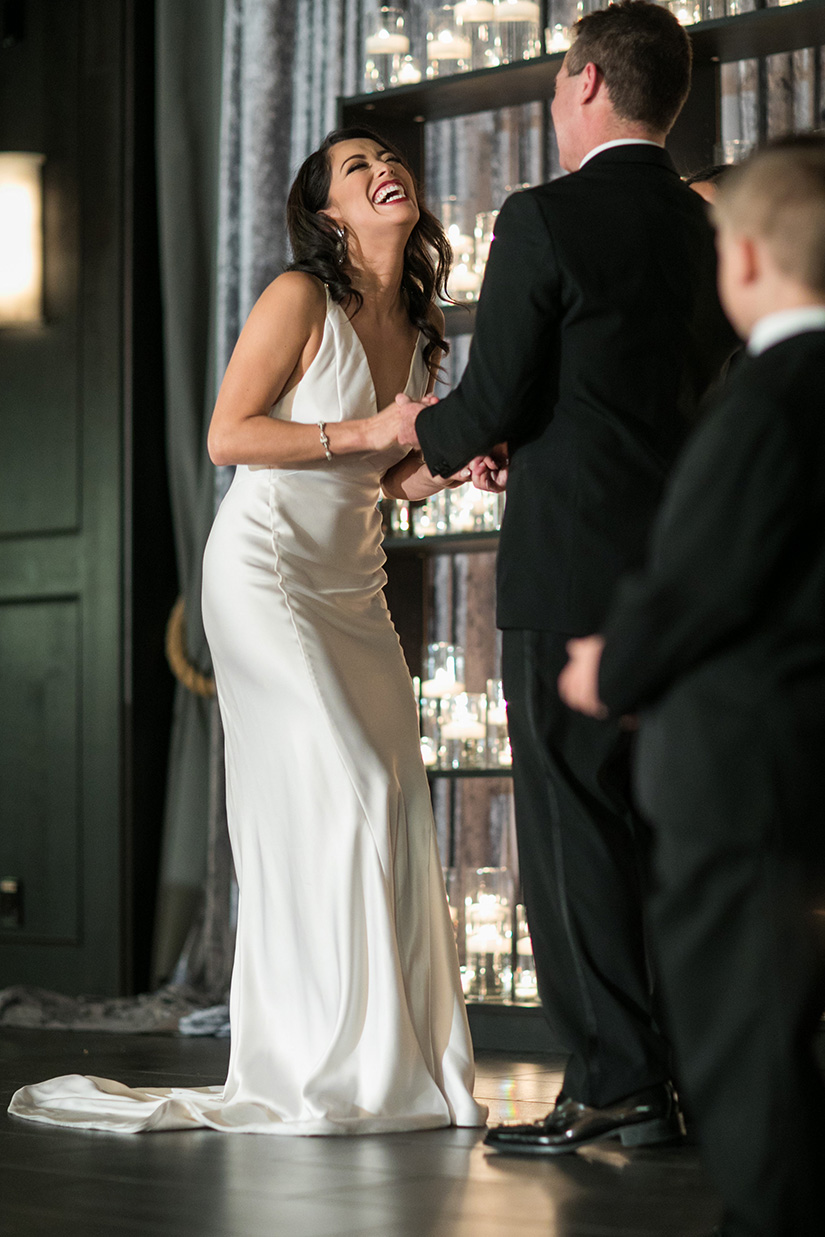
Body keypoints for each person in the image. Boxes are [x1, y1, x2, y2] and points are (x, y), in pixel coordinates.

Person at [8, 128, 487, 1136]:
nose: (376, 168)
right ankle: (319, 1059)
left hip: (352, 584)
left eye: (382, 157)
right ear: (325, 212)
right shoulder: (297, 297)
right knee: (352, 781)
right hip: (266, 570)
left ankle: (389, 1060)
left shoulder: (421, 316)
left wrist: (455, 466)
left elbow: (391, 481)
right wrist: (368, 431)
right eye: (351, 168)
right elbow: (230, 434)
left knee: (395, 796)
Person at [394, 0, 737, 1154]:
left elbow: (495, 399)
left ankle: (614, 1081)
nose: (551, 104)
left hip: (573, 568)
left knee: (572, 822)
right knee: (669, 826)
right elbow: (651, 384)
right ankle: (686, 1073)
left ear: (587, 80)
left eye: (553, 85)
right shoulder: (705, 226)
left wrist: (429, 452)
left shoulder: (545, 219)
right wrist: (524, 430)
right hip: (688, 569)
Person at [559, 134, 825, 1237]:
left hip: (741, 772)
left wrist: (608, 665)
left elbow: (703, 578)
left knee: (746, 1060)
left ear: (748, 259)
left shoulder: (765, 399)